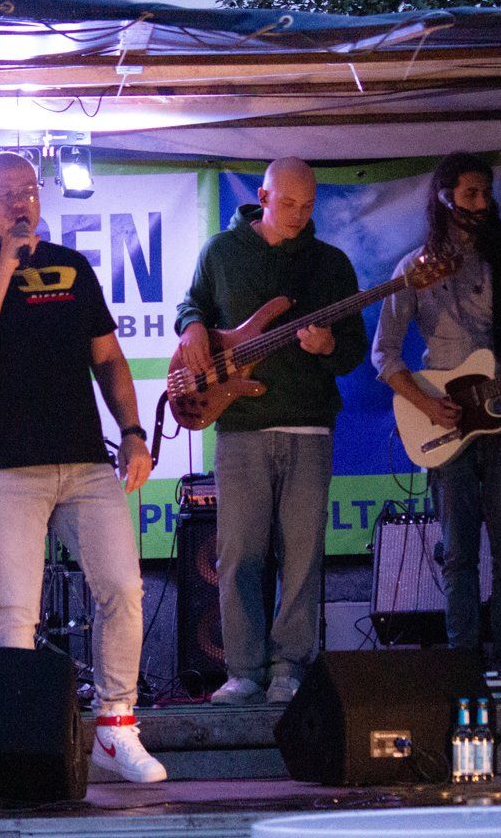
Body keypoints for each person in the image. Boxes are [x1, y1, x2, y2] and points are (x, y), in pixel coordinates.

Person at [0, 150, 167, 784]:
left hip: (85, 460)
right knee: (15, 611)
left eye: (29, 189)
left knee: (123, 589)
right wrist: (6, 263)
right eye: (6, 192)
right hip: (5, 467)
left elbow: (107, 358)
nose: (20, 201)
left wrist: (133, 433)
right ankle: (9, 745)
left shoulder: (71, 265)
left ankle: (116, 728)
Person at [372, 152, 501, 670]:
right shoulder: (413, 271)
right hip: (445, 422)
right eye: (471, 194)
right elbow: (384, 355)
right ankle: (462, 663)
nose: (482, 203)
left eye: (487, 194)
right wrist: (426, 404)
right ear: (445, 199)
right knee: (458, 551)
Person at [175, 158, 366, 706]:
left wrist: (330, 347)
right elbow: (192, 303)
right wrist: (191, 326)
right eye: (288, 204)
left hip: (310, 425)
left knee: (303, 556)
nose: (299, 216)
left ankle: (289, 667)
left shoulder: (330, 264)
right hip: (239, 425)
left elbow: (354, 350)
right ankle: (242, 670)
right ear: (262, 197)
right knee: (237, 553)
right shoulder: (221, 252)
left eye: (308, 206)